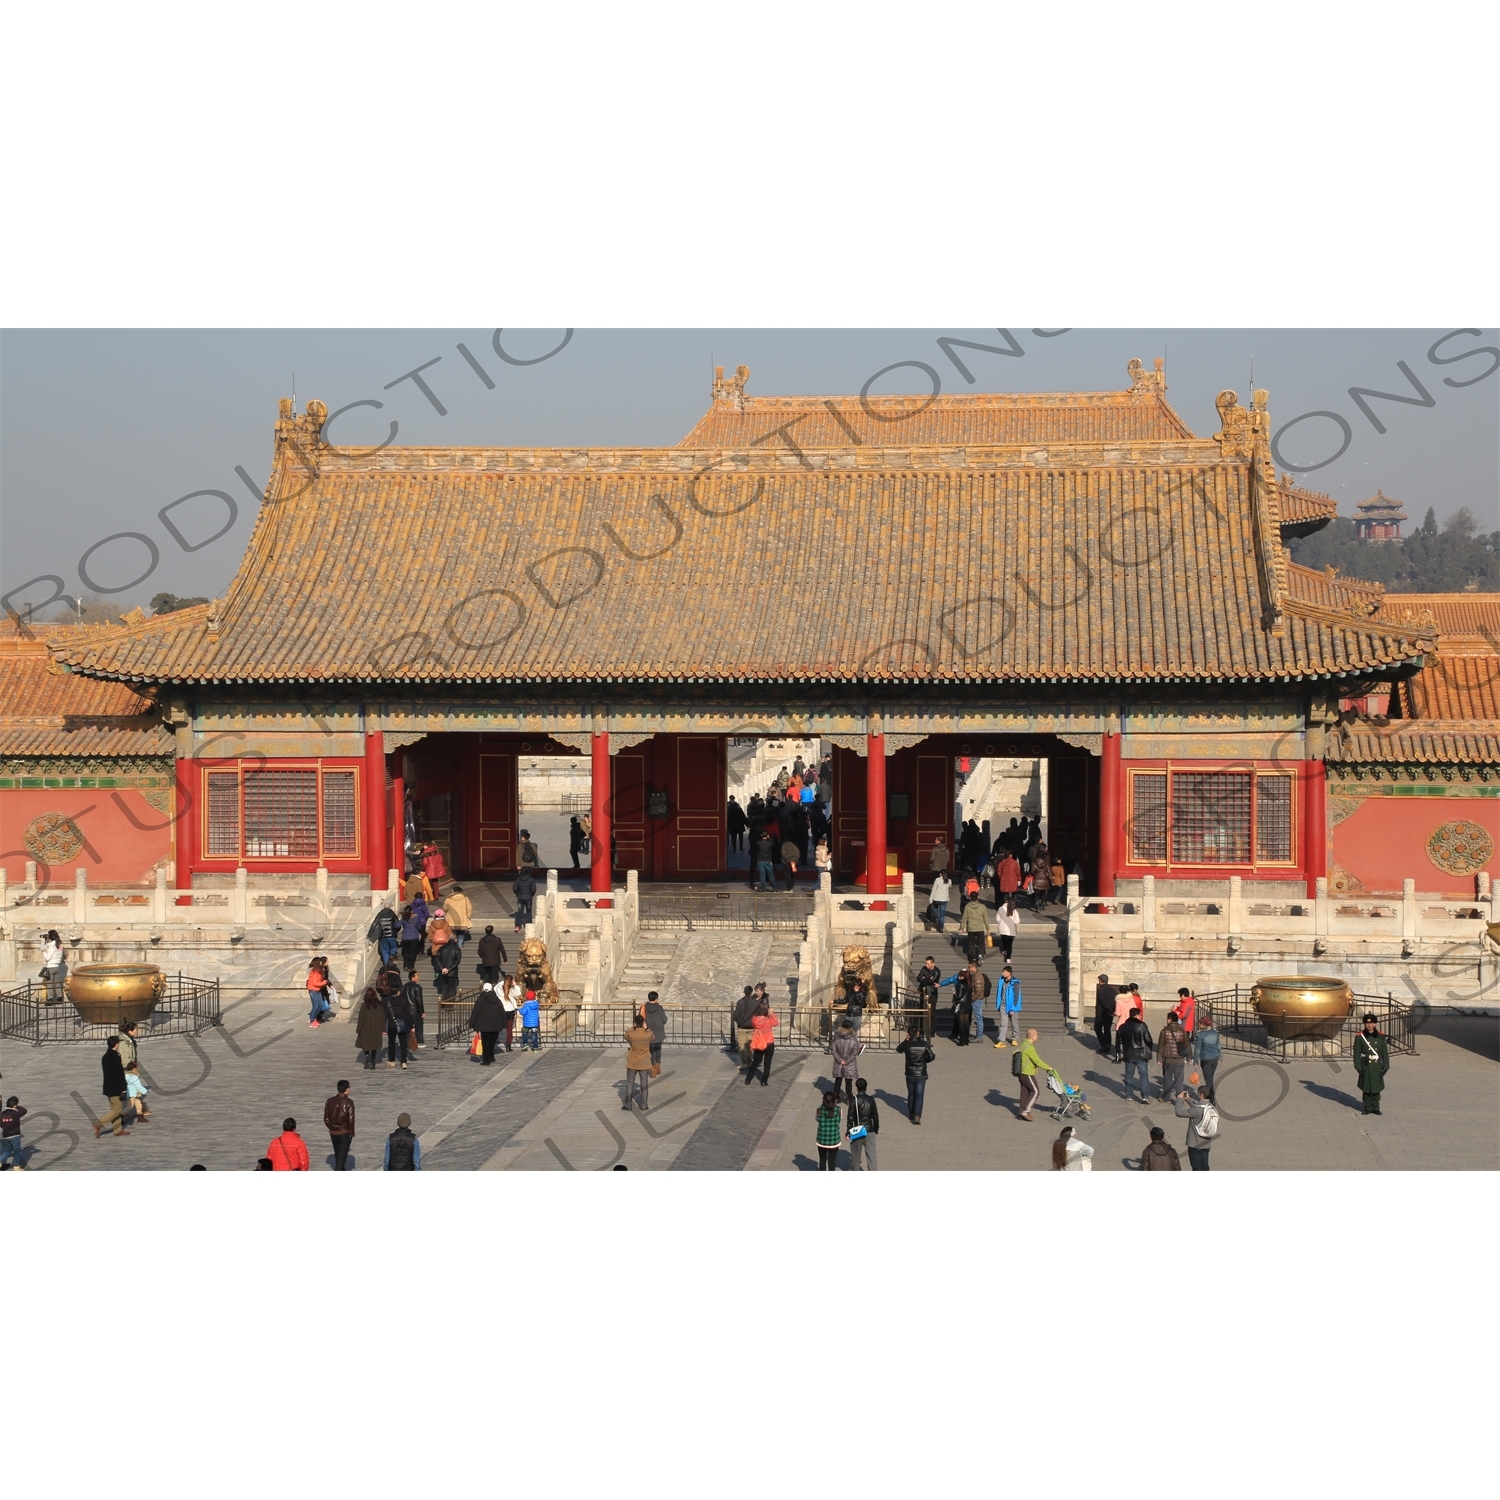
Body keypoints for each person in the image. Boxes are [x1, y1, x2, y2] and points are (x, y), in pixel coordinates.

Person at [1015, 1028, 1061, 1121]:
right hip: (1027, 1073)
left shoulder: (1024, 1044)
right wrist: (1048, 1068)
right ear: (1033, 1036)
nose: (1038, 1037)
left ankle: (1021, 1112)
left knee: (1025, 1092)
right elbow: (1037, 1061)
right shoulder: (1029, 1048)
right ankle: (1025, 1111)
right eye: (1037, 1035)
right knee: (1035, 1091)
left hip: (1021, 1073)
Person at [92, 1035, 131, 1138]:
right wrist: (123, 1088)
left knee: (114, 1108)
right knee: (117, 1109)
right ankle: (98, 1124)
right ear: (116, 1044)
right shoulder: (115, 1057)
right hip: (115, 1087)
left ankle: (117, 1130)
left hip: (108, 1087)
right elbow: (119, 1075)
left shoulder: (105, 1056)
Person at [897, 1021, 934, 1123]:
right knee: (919, 1094)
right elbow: (932, 1056)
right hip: (921, 1073)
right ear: (918, 1033)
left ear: (908, 1034)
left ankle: (911, 1113)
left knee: (911, 1093)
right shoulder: (924, 1044)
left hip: (910, 1073)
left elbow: (898, 1049)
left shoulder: (907, 1045)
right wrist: (923, 1062)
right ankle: (917, 1114)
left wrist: (905, 1041)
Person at [1174, 1085, 1219, 1170]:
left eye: (1198, 1094)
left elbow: (1179, 1112)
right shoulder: (1212, 1108)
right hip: (1206, 1144)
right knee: (1205, 1167)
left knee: (1197, 1168)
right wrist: (1188, 1099)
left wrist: (1179, 1100)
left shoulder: (1196, 1110)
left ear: (1201, 1095)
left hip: (1195, 1144)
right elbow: (1199, 1106)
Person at [1354, 1014, 1391, 1115]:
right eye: (1367, 1023)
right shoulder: (1360, 1037)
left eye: (1371, 1023)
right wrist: (1358, 1066)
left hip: (1376, 1065)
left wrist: (1386, 1066)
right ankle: (1367, 1107)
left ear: (1375, 1024)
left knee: (1376, 1086)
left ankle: (1376, 1106)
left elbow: (1384, 1053)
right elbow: (1356, 1053)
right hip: (1365, 1064)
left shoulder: (1380, 1037)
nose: (1369, 1025)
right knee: (1366, 1086)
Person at [1118, 1007, 1155, 1103]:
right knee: (1143, 1075)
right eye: (1140, 1015)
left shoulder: (1123, 1026)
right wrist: (1149, 1048)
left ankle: (1128, 1094)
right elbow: (1148, 1039)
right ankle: (1145, 1096)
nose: (1141, 1016)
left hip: (1129, 1053)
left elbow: (1119, 1040)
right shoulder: (1142, 1025)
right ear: (1137, 1015)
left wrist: (1120, 1052)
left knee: (1129, 1074)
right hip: (1141, 1053)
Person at [846, 1077, 879, 1170]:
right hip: (869, 1130)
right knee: (871, 1157)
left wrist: (848, 1132)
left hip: (857, 1132)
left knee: (855, 1156)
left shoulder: (854, 1100)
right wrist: (876, 1129)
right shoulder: (871, 1099)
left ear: (856, 1087)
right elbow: (875, 1116)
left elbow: (850, 1118)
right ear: (866, 1087)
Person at [744, 997, 777, 1085]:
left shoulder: (755, 1020)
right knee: (767, 1063)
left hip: (759, 1043)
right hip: (769, 1043)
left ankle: (748, 1079)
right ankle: (764, 1081)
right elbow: (776, 1023)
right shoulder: (768, 1020)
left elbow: (753, 1019)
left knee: (755, 1062)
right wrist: (772, 1013)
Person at [624, 1012, 653, 1110]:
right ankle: (644, 1105)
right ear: (644, 1023)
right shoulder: (647, 1034)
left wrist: (633, 1027)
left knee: (629, 1083)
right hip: (644, 1062)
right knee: (644, 1084)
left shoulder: (632, 1033)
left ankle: (628, 1105)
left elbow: (626, 1036)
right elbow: (653, 1037)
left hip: (633, 1061)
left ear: (635, 1023)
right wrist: (646, 1028)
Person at [324, 1080, 355, 1171]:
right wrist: (351, 1132)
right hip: (344, 1132)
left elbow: (326, 1118)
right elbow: (351, 1119)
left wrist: (331, 1126)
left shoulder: (329, 1101)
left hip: (333, 1132)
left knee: (337, 1153)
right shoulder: (348, 1102)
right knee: (342, 1157)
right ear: (346, 1089)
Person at [470, 983, 503, 1065]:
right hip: (494, 1024)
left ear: (483, 990)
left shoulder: (481, 999)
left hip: (483, 1024)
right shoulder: (496, 999)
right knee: (492, 1041)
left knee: (485, 1042)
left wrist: (472, 1023)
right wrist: (502, 1022)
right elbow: (501, 1010)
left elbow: (475, 1011)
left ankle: (486, 1060)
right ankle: (491, 1057)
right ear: (492, 989)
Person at [1191, 1010, 1222, 1099]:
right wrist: (1219, 1056)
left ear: (1204, 1025)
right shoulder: (1215, 1033)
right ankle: (1211, 1096)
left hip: (1206, 1059)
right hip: (1215, 1058)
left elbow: (1197, 1049)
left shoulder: (1200, 1035)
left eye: (1200, 1024)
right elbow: (1218, 1045)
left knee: (1208, 1079)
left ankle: (1211, 1098)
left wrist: (1195, 1060)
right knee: (1210, 1077)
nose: (1199, 1025)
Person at [1157, 1014, 1188, 1101]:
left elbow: (1160, 1046)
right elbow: (1187, 1045)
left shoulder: (1164, 1031)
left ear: (1170, 1020)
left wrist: (1159, 1058)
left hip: (1168, 1059)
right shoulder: (1182, 1031)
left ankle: (1167, 1098)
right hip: (1180, 1059)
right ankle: (1180, 1099)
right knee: (1179, 1080)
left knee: (1167, 1079)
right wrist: (1189, 1057)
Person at [383, 978, 414, 1068]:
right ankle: (404, 1062)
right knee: (403, 1043)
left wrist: (383, 1028)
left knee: (391, 1042)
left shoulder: (387, 1001)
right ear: (398, 992)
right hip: (402, 1024)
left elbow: (385, 1015)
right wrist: (411, 1025)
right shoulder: (404, 1000)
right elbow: (408, 1014)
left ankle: (392, 1060)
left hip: (392, 1024)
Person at [830, 1017, 861, 1102]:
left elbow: (833, 1050)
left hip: (838, 1062)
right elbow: (854, 1053)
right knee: (848, 1081)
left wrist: (840, 1060)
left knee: (838, 1080)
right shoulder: (853, 1039)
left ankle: (836, 1097)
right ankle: (848, 1098)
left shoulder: (836, 1037)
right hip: (849, 1063)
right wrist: (847, 1061)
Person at [994, 964, 1023, 1047]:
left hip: (1012, 1007)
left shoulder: (1015, 983)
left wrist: (1013, 1008)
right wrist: (998, 1005)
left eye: (1004, 972)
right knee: (1003, 1024)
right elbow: (999, 993)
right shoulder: (1001, 981)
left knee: (1014, 1023)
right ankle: (1001, 1041)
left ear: (1009, 973)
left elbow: (1017, 996)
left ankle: (1014, 1039)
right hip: (1003, 1006)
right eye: (1003, 972)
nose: (1003, 973)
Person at [355, 988, 385, 1069]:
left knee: (366, 1045)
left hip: (365, 1028)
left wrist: (359, 1029)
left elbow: (361, 1019)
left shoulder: (364, 1005)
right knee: (374, 1046)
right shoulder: (379, 1005)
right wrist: (383, 1029)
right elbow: (382, 1018)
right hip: (376, 1028)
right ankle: (372, 1061)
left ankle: (367, 1060)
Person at [732, 984, 759, 1071]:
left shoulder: (740, 1002)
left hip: (742, 1027)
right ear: (751, 992)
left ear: (744, 992)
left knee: (742, 1045)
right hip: (751, 1027)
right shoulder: (755, 1002)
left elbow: (735, 1015)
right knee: (750, 1045)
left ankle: (744, 1062)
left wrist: (740, 1022)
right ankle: (750, 1061)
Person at [960, 890, 989, 964]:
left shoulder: (967, 906)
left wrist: (961, 927)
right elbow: (985, 918)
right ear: (977, 897)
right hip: (979, 928)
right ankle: (980, 954)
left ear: (970, 898)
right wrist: (988, 928)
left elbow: (964, 917)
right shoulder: (982, 906)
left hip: (971, 928)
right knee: (981, 943)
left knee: (971, 943)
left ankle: (973, 957)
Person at [367, 904, 401, 969]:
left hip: (383, 936)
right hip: (392, 936)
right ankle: (392, 963)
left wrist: (369, 935)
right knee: (393, 948)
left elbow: (374, 925)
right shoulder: (392, 914)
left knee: (385, 951)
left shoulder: (380, 915)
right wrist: (395, 931)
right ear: (390, 907)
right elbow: (398, 925)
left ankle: (386, 966)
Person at [642, 990, 667, 1077]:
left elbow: (640, 1018)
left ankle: (652, 1068)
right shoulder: (659, 1008)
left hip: (648, 1031)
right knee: (658, 1049)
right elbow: (664, 1019)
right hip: (659, 1031)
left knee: (651, 1050)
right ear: (656, 999)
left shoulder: (644, 1007)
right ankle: (657, 1067)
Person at [815, 1091, 842, 1170]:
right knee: (832, 1162)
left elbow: (817, 1119)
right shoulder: (838, 1110)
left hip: (822, 1139)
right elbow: (840, 1119)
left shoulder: (819, 1110)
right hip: (834, 1140)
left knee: (822, 1160)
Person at [0, 1096, 28, 1170]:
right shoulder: (16, 1114)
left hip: (5, 1136)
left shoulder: (2, 1114)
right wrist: (16, 1106)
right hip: (14, 1135)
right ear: (15, 1105)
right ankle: (16, 1166)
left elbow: (1, 1125)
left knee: (8, 1151)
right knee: (17, 1151)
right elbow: (24, 1110)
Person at [1093, 974, 1118, 1055]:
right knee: (1107, 1029)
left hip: (1101, 1013)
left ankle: (1105, 1044)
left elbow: (1102, 1002)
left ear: (1101, 981)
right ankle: (1108, 1046)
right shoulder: (1113, 990)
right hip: (1110, 1013)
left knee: (1097, 1028)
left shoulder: (1100, 990)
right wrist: (1111, 1011)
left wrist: (1107, 1009)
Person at [41, 929, 67, 1003]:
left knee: (49, 984)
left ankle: (50, 999)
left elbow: (48, 958)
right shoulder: (59, 946)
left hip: (50, 967)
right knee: (57, 983)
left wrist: (44, 952)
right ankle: (59, 998)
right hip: (56, 967)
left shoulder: (51, 947)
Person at [306, 957, 332, 1027]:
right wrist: (324, 982)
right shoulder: (315, 971)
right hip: (313, 990)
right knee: (316, 1006)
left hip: (318, 990)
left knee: (320, 1005)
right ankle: (312, 1021)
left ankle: (315, 1019)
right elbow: (315, 983)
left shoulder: (319, 971)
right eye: (320, 961)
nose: (321, 962)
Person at [951, 969, 974, 1046]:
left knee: (961, 1024)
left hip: (962, 1006)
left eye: (960, 975)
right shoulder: (970, 984)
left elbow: (959, 996)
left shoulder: (960, 985)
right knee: (966, 1024)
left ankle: (961, 1041)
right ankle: (966, 1040)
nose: (959, 977)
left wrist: (954, 994)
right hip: (968, 1005)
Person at [500, 972, 522, 1051]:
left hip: (502, 1011)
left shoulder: (500, 989)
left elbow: (496, 987)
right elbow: (519, 992)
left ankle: (493, 1042)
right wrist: (515, 985)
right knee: (509, 1029)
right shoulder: (513, 990)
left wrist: (505, 981)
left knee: (497, 1028)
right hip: (510, 1011)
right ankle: (508, 1046)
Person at [915, 955, 941, 1022]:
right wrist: (928, 979)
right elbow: (918, 978)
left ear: (933, 963)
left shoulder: (937, 971)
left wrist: (924, 978)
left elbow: (932, 981)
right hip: (923, 992)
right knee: (922, 1010)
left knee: (931, 1012)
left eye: (928, 964)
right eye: (926, 963)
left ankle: (931, 1030)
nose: (926, 965)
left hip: (931, 993)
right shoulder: (924, 969)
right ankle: (921, 1028)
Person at [398, 905, 424, 971]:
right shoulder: (416, 918)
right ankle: (411, 966)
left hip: (405, 938)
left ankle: (405, 966)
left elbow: (396, 925)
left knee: (405, 952)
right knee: (413, 952)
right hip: (414, 938)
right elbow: (420, 927)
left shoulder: (404, 918)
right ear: (411, 911)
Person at [993, 896, 1017, 963]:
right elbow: (1017, 920)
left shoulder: (1000, 909)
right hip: (1011, 930)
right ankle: (1008, 958)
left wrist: (1000, 923)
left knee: (1004, 941)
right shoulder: (1014, 909)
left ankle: (1004, 950)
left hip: (1002, 929)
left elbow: (997, 918)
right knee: (1009, 944)